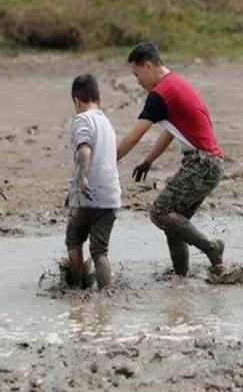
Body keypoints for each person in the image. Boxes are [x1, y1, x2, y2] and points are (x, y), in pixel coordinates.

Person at [117, 42, 224, 276]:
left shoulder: (160, 94)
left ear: (148, 65)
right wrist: (149, 160)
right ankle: (181, 278)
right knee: (174, 222)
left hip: (202, 164)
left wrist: (109, 160)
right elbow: (170, 131)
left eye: (137, 74)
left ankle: (212, 248)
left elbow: (135, 136)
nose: (137, 81)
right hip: (212, 164)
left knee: (159, 212)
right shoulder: (176, 83)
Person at [65, 74, 121, 290]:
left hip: (88, 194)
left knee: (74, 241)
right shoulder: (106, 122)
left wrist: (81, 176)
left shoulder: (81, 119)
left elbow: (85, 148)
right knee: (100, 251)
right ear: (99, 99)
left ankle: (78, 290)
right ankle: (106, 297)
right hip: (111, 197)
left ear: (76, 100)